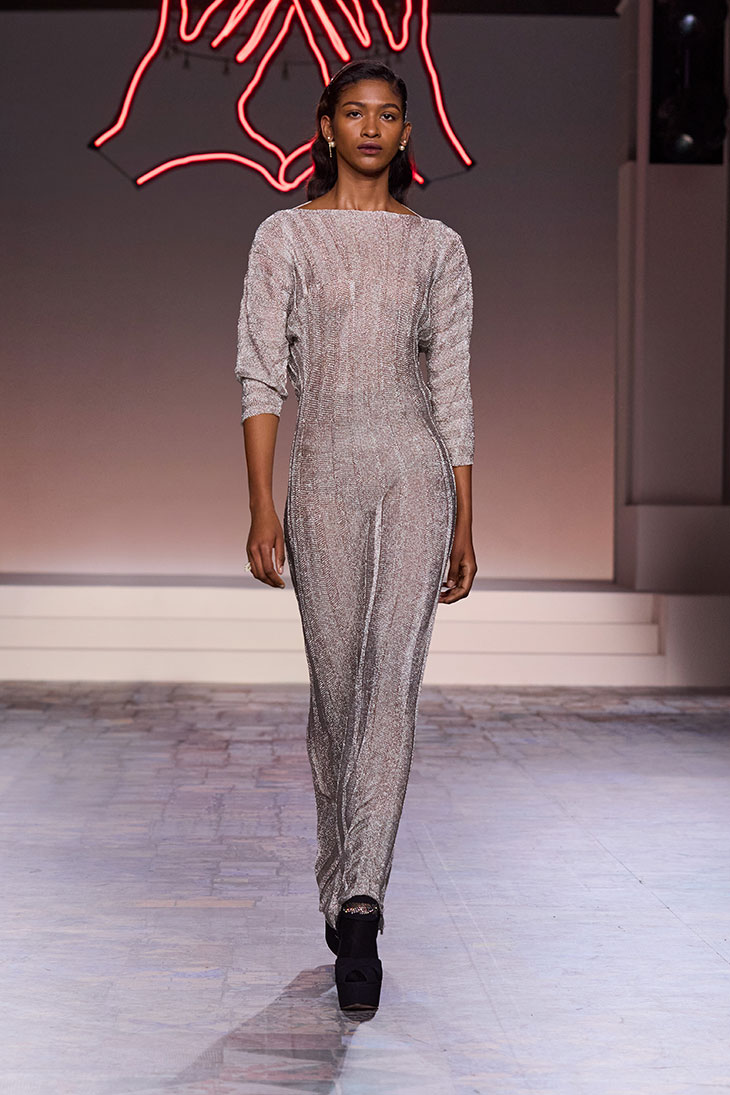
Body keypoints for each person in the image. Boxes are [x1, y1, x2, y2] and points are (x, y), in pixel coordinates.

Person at [235, 59, 476, 1012]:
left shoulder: (439, 249)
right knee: (337, 689)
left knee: (389, 683)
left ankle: (364, 905)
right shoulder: (284, 236)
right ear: (326, 125)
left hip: (415, 472)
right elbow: (261, 372)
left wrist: (465, 512)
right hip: (323, 473)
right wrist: (262, 504)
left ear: (407, 132)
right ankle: (339, 878)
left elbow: (451, 387)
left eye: (387, 114)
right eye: (353, 112)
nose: (371, 127)